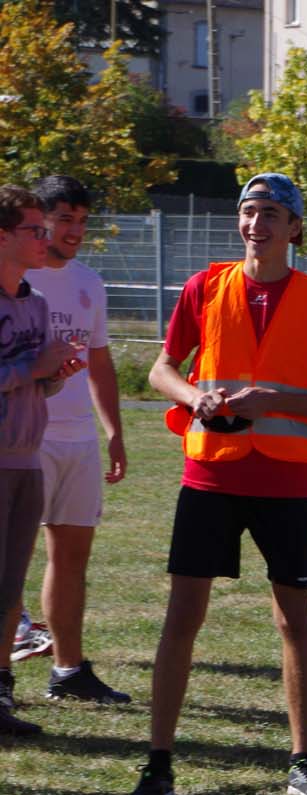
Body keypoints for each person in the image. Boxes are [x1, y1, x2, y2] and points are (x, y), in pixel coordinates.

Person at [127, 173, 307, 795]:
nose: (256, 224)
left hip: (284, 480)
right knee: (182, 619)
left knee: (295, 622)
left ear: (294, 228)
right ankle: (159, 765)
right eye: (249, 212)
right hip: (211, 473)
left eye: (270, 214)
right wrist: (193, 395)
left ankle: (303, 762)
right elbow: (162, 368)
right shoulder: (206, 287)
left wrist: (275, 398)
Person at [23, 175, 129, 706]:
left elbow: (100, 361)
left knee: (71, 557)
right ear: (39, 219)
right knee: (10, 559)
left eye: (83, 221)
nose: (75, 231)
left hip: (78, 440)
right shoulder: (17, 280)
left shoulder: (90, 282)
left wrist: (113, 430)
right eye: (64, 218)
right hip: (23, 438)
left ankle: (67, 670)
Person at [0, 185, 81, 737]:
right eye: (33, 229)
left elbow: (35, 386)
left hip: (27, 459)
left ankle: (1, 692)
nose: (44, 238)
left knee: (10, 589)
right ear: (2, 235)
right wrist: (31, 369)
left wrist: (53, 376)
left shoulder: (37, 302)